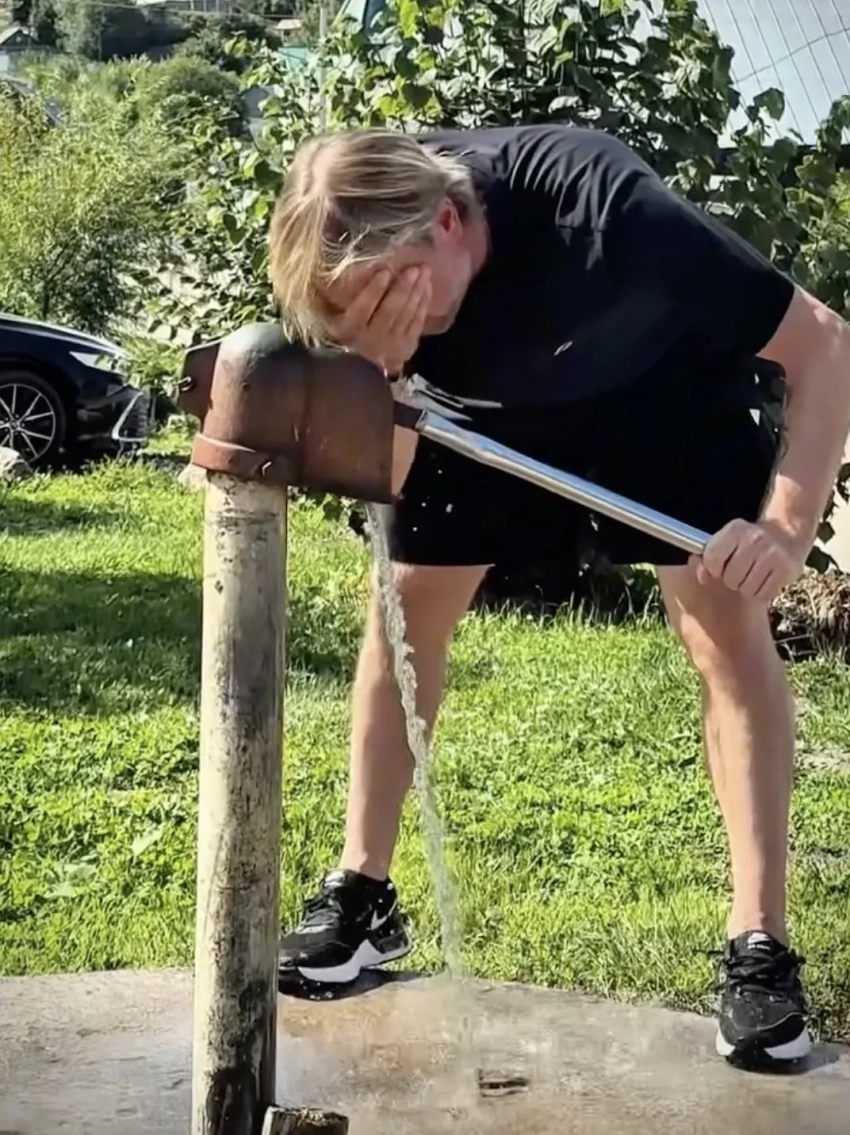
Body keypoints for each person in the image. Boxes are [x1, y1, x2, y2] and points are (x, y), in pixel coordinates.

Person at [268, 123, 850, 1068]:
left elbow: (824, 344)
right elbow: (376, 440)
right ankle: (363, 894)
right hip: (486, 412)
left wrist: (784, 527)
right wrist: (373, 375)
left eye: (390, 301)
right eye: (353, 319)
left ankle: (760, 945)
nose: (378, 327)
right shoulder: (370, 254)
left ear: (449, 222)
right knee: (403, 612)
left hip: (660, 397)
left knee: (722, 627)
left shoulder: (608, 214)